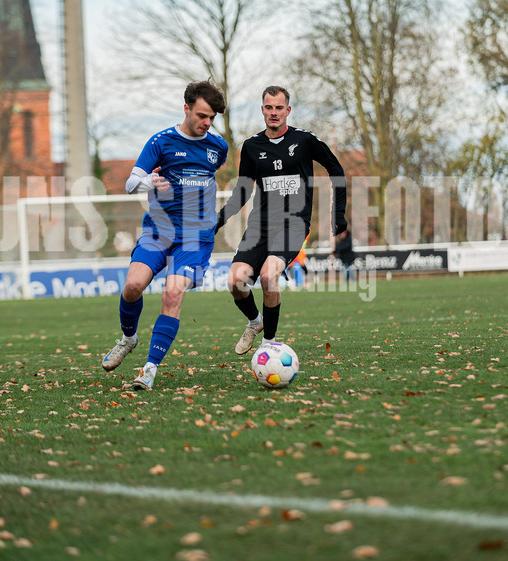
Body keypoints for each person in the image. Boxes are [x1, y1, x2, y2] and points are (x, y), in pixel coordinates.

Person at [101, 80, 228, 390]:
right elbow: (131, 183)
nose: (206, 123)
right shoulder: (161, 142)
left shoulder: (218, 146)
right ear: (186, 108)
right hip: (158, 231)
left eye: (211, 117)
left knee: (172, 294)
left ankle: (149, 369)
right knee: (133, 286)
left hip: (195, 238)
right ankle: (128, 338)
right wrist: (151, 183)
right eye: (201, 115)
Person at [216, 85, 348, 355]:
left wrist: (338, 213)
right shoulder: (251, 146)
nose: (273, 112)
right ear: (262, 110)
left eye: (279, 107)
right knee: (235, 282)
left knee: (268, 275)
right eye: (269, 107)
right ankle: (255, 322)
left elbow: (335, 168)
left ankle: (268, 346)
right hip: (260, 226)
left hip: (294, 223)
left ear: (288, 110)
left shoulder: (304, 140)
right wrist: (217, 221)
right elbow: (242, 191)